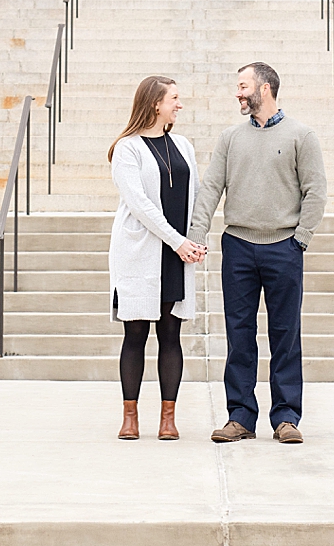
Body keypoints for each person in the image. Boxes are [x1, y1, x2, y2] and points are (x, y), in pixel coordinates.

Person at [188, 62, 326, 445]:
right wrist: (197, 234)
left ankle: (285, 418)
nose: (238, 92)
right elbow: (211, 188)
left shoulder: (302, 135)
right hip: (238, 247)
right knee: (239, 334)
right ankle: (240, 417)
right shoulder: (231, 138)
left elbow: (315, 191)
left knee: (285, 334)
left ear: (264, 88)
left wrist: (300, 239)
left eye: (243, 85)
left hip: (284, 247)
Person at [108, 76, 208, 441]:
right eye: (175, 99)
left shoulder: (183, 145)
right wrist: (178, 241)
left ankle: (168, 418)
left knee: (171, 333)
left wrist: (194, 240)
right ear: (155, 104)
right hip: (139, 252)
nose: (179, 105)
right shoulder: (127, 148)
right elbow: (141, 205)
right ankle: (130, 416)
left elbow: (196, 195)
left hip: (176, 253)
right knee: (135, 332)